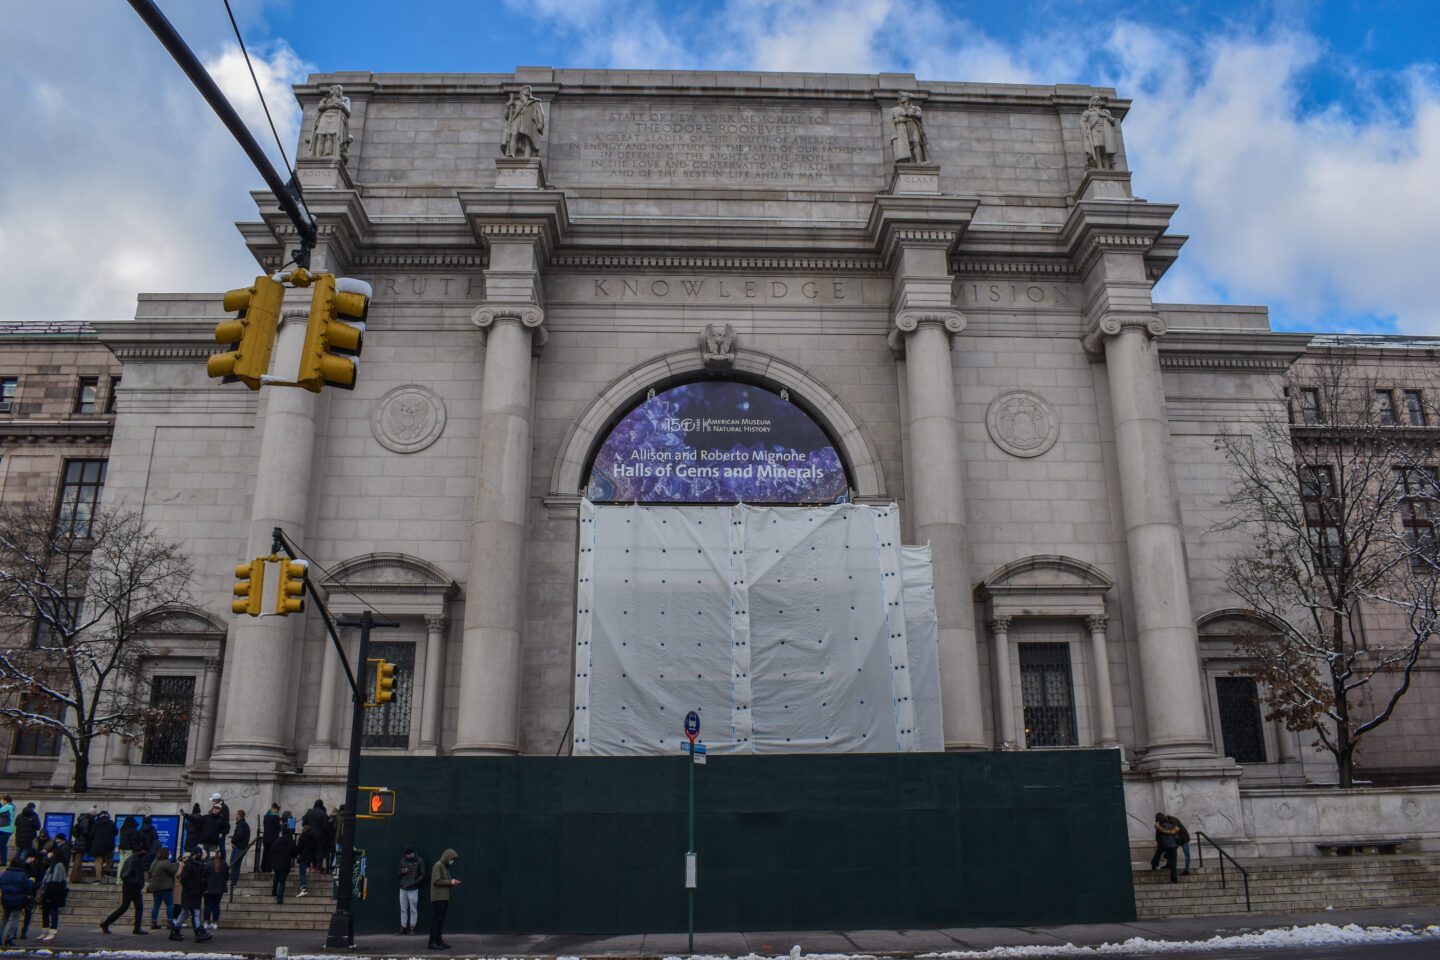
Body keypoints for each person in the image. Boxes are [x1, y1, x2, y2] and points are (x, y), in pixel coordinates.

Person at [100, 840, 149, 936]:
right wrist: (135, 882)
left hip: (135, 888)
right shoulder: (132, 860)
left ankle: (137, 927)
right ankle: (106, 923)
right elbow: (125, 875)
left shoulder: (137, 859)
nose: (146, 853)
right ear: (142, 850)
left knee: (139, 907)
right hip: (130, 888)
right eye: (145, 851)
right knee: (124, 908)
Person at [168, 849, 211, 942]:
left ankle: (175, 931)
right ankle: (199, 932)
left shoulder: (197, 865)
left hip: (193, 893)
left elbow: (200, 879)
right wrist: (194, 889)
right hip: (190, 894)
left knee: (185, 913)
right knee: (195, 913)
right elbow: (184, 880)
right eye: (200, 854)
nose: (202, 856)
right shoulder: (190, 865)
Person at [427, 848, 459, 950]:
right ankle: (432, 942)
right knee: (436, 920)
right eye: (451, 859)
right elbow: (436, 881)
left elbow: (443, 881)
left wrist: (452, 882)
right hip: (438, 898)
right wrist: (450, 882)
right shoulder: (438, 865)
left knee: (440, 920)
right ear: (447, 857)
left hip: (443, 898)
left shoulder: (444, 867)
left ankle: (439, 941)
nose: (452, 861)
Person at [501, 85, 546, 158]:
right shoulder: (515, 103)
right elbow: (507, 116)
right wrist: (508, 107)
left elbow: (540, 114)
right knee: (514, 134)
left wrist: (540, 124)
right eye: (526, 89)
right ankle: (512, 153)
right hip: (517, 120)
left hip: (529, 122)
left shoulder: (535, 102)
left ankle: (527, 156)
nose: (528, 91)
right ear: (521, 92)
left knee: (527, 139)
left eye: (529, 90)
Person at [0, 856, 33, 946]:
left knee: (4, 918)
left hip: (6, 899)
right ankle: (9, 937)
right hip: (18, 899)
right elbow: (28, 888)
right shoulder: (23, 874)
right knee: (15, 918)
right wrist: (30, 882)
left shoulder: (5, 873)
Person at [36, 849, 66, 943]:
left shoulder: (59, 866)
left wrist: (50, 895)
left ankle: (52, 932)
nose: (50, 855)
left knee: (53, 912)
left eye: (52, 853)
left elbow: (56, 882)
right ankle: (44, 931)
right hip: (47, 891)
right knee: (45, 912)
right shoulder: (51, 865)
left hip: (53, 893)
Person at [147, 847, 178, 930]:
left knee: (156, 905)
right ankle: (170, 923)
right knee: (170, 905)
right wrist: (177, 863)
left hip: (155, 887)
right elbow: (173, 870)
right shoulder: (165, 862)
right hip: (165, 887)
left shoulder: (155, 862)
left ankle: (154, 922)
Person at [397, 846, 425, 935]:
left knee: (413, 909)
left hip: (413, 889)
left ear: (412, 853)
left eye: (408, 854)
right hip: (403, 888)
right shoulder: (403, 861)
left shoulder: (419, 861)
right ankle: (403, 927)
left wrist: (414, 882)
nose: (407, 856)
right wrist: (402, 872)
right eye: (406, 855)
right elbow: (398, 874)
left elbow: (423, 874)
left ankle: (412, 927)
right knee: (403, 909)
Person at [1150, 812, 1181, 883]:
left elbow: (1158, 837)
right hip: (1173, 846)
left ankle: (1154, 864)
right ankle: (1174, 878)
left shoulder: (1159, 827)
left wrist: (1159, 843)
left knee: (1157, 854)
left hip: (1163, 845)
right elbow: (1175, 834)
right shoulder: (1171, 825)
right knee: (1174, 862)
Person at [87, 811, 117, 883]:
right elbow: (116, 832)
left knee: (98, 861)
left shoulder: (96, 823)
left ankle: (98, 878)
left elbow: (91, 834)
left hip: (98, 845)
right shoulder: (111, 823)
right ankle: (107, 870)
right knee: (109, 858)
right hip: (109, 844)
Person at [270, 827, 295, 904]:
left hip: (276, 863)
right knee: (282, 881)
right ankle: (279, 897)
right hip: (285, 863)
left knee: (276, 878)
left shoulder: (277, 840)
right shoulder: (291, 842)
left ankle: (274, 892)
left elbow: (271, 850)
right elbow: (293, 854)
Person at [202, 851, 227, 930]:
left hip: (209, 888)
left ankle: (206, 921)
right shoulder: (224, 863)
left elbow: (204, 875)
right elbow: (227, 875)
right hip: (220, 887)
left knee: (208, 905)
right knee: (216, 905)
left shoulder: (208, 864)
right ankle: (215, 922)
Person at [228, 810, 250, 896]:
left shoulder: (241, 824)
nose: (235, 816)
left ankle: (233, 882)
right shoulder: (244, 824)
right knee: (236, 865)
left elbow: (239, 835)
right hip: (242, 847)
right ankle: (234, 882)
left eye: (236, 814)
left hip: (239, 847)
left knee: (233, 864)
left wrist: (233, 839)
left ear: (239, 815)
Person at [69, 810, 93, 882]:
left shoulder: (81, 820)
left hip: (79, 842)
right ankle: (75, 878)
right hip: (82, 843)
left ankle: (75, 877)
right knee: (78, 861)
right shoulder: (86, 820)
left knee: (78, 860)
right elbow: (85, 832)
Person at [295, 822, 318, 897]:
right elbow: (315, 847)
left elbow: (299, 848)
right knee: (304, 871)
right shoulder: (313, 837)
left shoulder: (302, 837)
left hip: (303, 856)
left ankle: (303, 887)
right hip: (310, 856)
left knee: (302, 873)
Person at [258, 803, 281, 873]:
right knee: (271, 854)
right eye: (277, 810)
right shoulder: (276, 817)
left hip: (266, 838)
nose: (277, 812)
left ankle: (263, 867)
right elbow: (277, 827)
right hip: (273, 838)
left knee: (265, 853)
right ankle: (269, 868)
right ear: (274, 808)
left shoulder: (266, 816)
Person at [209, 793, 231, 862]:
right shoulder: (216, 806)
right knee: (213, 847)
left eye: (213, 800)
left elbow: (224, 820)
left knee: (221, 848)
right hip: (215, 831)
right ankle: (212, 861)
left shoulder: (223, 807)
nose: (212, 801)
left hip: (220, 831)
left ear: (217, 800)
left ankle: (223, 862)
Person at [0, 797, 14, 866]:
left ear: (5, 800)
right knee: (2, 845)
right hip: (4, 829)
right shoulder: (9, 806)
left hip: (5, 829)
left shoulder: (9, 806)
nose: (2, 802)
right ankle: (3, 861)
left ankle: (4, 862)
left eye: (3, 800)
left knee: (2, 845)